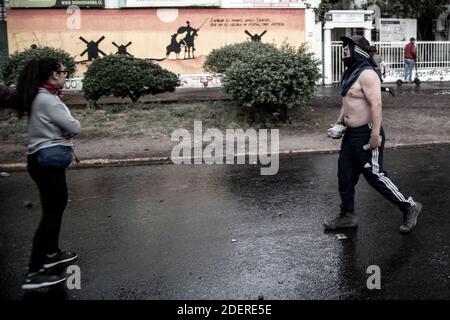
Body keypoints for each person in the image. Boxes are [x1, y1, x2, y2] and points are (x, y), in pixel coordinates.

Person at [324, 36, 422, 233]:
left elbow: (376, 104)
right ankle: (347, 216)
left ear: (358, 51)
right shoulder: (350, 73)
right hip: (350, 135)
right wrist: (338, 123)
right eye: (343, 46)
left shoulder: (367, 74)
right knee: (345, 175)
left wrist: (375, 135)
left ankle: (409, 205)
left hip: (366, 133)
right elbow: (347, 103)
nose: (344, 50)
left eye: (348, 47)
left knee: (375, 175)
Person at [16, 58, 80, 289]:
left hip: (42, 160)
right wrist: (68, 127)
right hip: (46, 161)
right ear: (53, 75)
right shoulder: (47, 100)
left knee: (56, 208)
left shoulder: (44, 96)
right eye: (64, 72)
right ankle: (34, 273)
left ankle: (52, 254)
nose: (66, 76)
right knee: (51, 214)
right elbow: (75, 127)